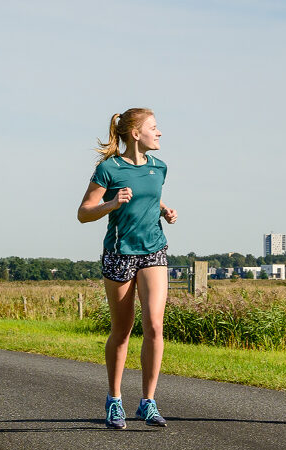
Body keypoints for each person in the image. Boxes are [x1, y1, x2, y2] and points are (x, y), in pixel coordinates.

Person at [78, 108, 178, 428]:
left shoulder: (159, 168)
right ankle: (114, 400)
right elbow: (84, 212)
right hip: (120, 253)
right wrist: (112, 202)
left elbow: (150, 195)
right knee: (122, 332)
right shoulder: (109, 169)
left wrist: (164, 210)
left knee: (155, 325)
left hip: (153, 251)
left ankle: (148, 402)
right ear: (136, 134)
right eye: (154, 127)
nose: (159, 132)